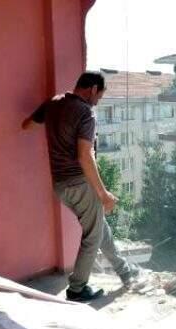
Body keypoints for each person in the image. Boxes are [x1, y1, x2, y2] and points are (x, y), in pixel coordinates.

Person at [22, 72, 138, 302]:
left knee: (99, 230)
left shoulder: (53, 103)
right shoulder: (86, 112)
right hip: (78, 183)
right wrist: (104, 194)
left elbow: (27, 125)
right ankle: (77, 289)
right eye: (100, 96)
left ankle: (126, 272)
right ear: (93, 89)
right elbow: (85, 155)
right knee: (92, 236)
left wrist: (56, 127)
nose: (98, 101)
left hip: (60, 185)